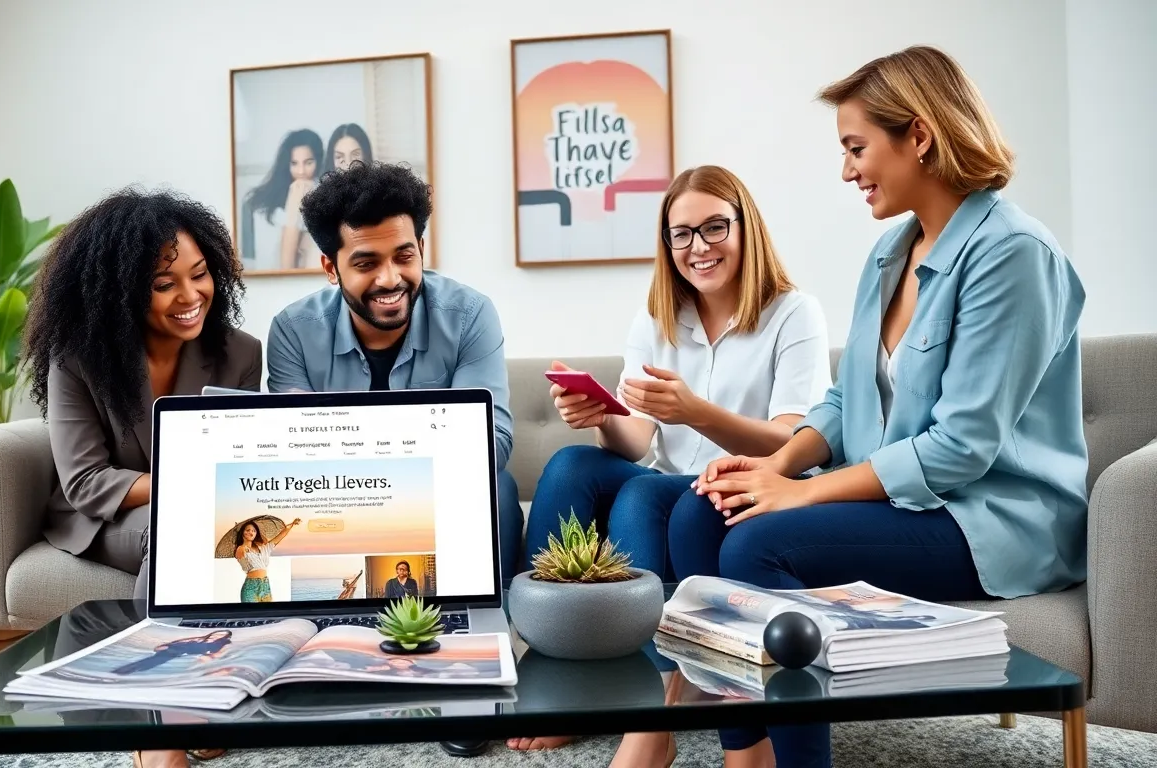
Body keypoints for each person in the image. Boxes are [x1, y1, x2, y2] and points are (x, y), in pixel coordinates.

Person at [610, 45, 1088, 768]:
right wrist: (774, 464)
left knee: (756, 541)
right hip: (904, 505)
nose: (847, 170)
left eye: (857, 147)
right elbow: (841, 401)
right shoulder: (891, 255)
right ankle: (750, 753)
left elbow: (960, 449)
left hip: (989, 519)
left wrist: (795, 497)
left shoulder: (1013, 254)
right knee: (701, 507)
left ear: (919, 136)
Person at [513, 165, 831, 754]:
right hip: (672, 483)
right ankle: (556, 676)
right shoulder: (657, 318)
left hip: (756, 486)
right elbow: (638, 442)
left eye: (714, 227)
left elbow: (795, 443)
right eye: (680, 234)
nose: (698, 247)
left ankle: (656, 706)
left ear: (747, 227)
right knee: (570, 466)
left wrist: (697, 411)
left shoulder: (794, 313)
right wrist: (602, 416)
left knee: (643, 494)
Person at [24, 188, 259, 768]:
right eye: (164, 284)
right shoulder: (77, 358)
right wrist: (188, 479)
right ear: (121, 291)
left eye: (201, 274)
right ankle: (159, 734)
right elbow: (84, 481)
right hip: (108, 515)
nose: (190, 295)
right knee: (174, 526)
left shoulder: (239, 353)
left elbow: (240, 461)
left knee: (202, 529)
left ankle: (195, 698)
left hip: (208, 509)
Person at [266, 160, 526, 582]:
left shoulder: (470, 314)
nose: (390, 279)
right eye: (366, 264)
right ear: (331, 268)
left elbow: (492, 443)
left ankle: (487, 622)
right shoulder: (293, 331)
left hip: (445, 494)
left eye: (404, 256)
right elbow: (296, 459)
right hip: (339, 502)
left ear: (421, 249)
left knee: (498, 489)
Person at [239, 128, 324, 270]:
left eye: (308, 163)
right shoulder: (253, 204)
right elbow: (249, 262)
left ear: (318, 161)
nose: (301, 171)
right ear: (286, 165)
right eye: (294, 163)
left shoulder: (325, 197)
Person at [233, 518, 300, 602]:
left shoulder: (264, 548)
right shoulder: (241, 549)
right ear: (242, 532)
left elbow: (280, 536)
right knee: (252, 614)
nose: (251, 532)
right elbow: (241, 558)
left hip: (265, 585)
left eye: (254, 531)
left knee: (267, 613)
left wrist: (292, 524)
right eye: (248, 530)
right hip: (250, 587)